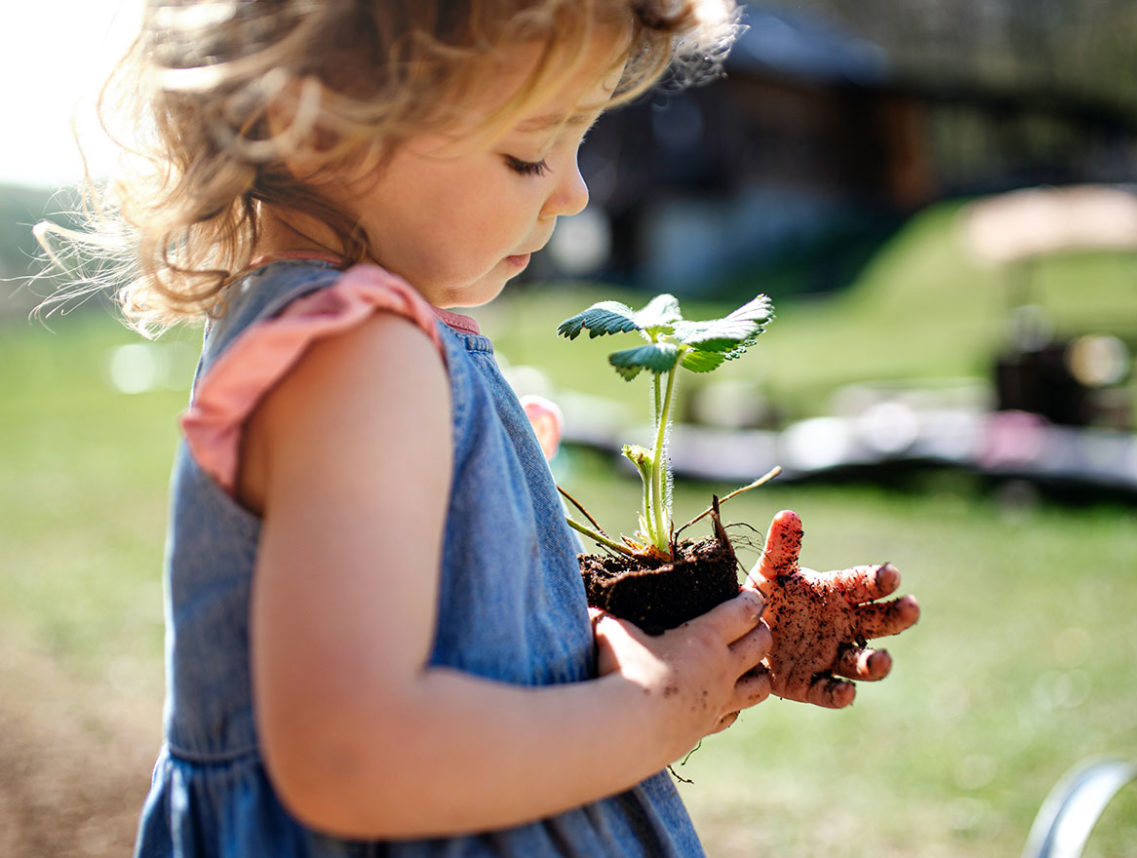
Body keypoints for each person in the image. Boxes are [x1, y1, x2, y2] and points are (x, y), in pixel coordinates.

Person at [44, 1, 918, 855]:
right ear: (317, 120)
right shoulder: (358, 357)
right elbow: (353, 757)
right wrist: (650, 712)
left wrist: (719, 642)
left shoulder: (357, 341)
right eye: (529, 152)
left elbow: (483, 652)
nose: (575, 191)